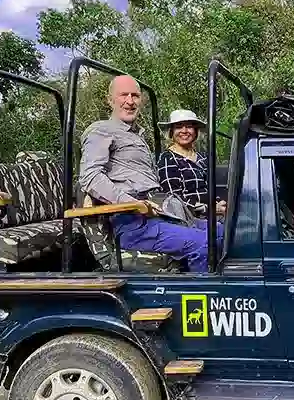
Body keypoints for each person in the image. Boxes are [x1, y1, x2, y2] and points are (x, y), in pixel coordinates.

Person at [77, 75, 223, 272]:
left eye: (135, 95)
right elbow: (91, 176)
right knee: (205, 243)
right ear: (110, 100)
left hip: (161, 214)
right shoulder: (101, 130)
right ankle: (197, 298)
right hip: (133, 221)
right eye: (123, 95)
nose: (130, 101)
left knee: (224, 232)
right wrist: (131, 203)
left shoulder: (137, 136)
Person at [156, 109, 225, 219]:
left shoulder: (203, 158)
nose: (184, 131)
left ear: (196, 131)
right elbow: (174, 200)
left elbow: (210, 189)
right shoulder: (168, 159)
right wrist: (209, 209)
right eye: (179, 126)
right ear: (171, 132)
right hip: (189, 217)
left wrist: (220, 203)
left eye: (189, 126)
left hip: (212, 213)